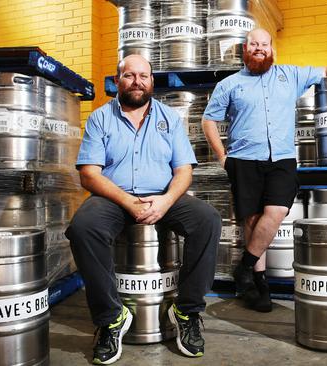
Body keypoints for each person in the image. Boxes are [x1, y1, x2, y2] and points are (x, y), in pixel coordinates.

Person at [65, 54, 221, 364]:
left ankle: (186, 311)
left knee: (208, 220)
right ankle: (111, 317)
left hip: (163, 196)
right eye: (129, 75)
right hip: (113, 197)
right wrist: (127, 201)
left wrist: (164, 201)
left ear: (151, 82)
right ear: (117, 80)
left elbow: (184, 171)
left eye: (144, 76)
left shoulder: (169, 119)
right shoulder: (100, 118)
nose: (137, 81)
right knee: (83, 228)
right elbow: (89, 174)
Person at [201, 28, 327, 312]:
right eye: (253, 44)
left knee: (277, 211)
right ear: (246, 49)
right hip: (243, 160)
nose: (259, 48)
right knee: (253, 220)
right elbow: (209, 121)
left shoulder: (290, 75)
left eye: (264, 44)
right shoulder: (229, 85)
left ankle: (244, 267)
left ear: (271, 49)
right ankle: (259, 282)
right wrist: (223, 158)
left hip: (281, 159)